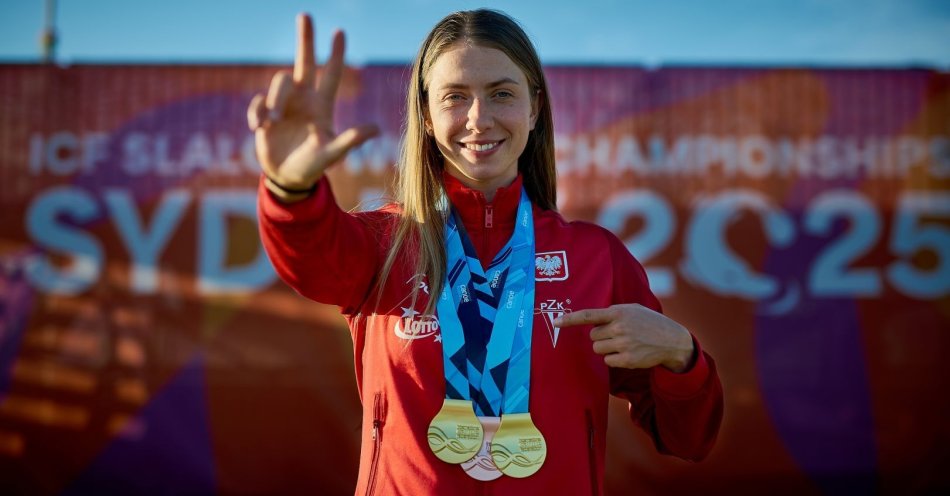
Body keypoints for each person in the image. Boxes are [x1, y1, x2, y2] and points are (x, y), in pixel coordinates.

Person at [248, 9, 722, 495]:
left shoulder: (595, 258)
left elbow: (687, 438)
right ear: (427, 116)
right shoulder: (382, 244)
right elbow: (306, 254)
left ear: (534, 108)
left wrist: (682, 357)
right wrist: (290, 188)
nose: (479, 118)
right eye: (455, 97)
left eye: (501, 93)